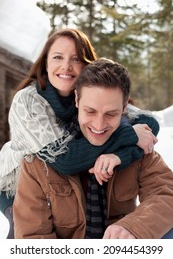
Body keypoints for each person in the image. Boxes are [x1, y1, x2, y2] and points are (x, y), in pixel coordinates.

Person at [0, 28, 158, 238]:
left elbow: (148, 123)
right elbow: (65, 159)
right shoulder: (28, 101)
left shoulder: (89, 95)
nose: (66, 66)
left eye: (75, 59)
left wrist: (120, 155)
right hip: (20, 183)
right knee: (28, 235)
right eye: (58, 57)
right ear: (46, 62)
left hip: (60, 185)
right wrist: (128, 135)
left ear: (86, 65)